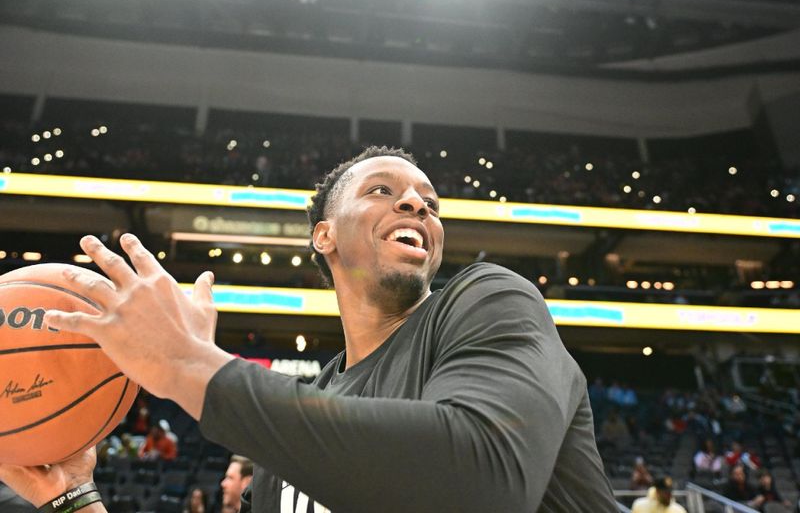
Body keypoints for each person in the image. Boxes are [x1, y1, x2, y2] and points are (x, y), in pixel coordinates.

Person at [0, 146, 617, 512]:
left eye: (430, 202)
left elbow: (483, 478)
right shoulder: (288, 448)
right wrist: (73, 495)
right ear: (323, 235)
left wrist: (187, 366)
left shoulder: (488, 301)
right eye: (383, 190)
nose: (417, 206)